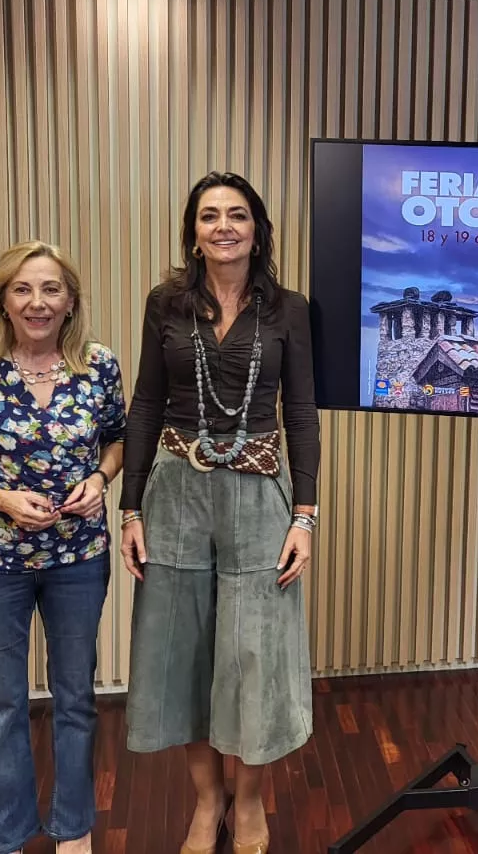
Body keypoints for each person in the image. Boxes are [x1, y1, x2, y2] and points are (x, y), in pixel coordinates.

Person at [119, 171, 320, 854]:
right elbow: (145, 404)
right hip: (176, 489)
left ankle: (253, 801)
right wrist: (130, 508)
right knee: (186, 651)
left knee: (253, 653)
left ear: (258, 230)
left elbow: (300, 413)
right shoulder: (166, 303)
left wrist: (305, 516)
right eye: (209, 216)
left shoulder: (289, 309)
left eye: (237, 215)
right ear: (194, 232)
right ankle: (208, 803)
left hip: (260, 492)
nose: (223, 226)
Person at [0, 240, 125, 854]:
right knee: (2, 703)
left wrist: (101, 478)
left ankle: (73, 831)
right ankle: (5, 835)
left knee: (77, 697)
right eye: (23, 290)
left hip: (79, 560)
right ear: (3, 301)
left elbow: (119, 440)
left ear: (70, 301)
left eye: (51, 289)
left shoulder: (99, 365)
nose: (38, 302)